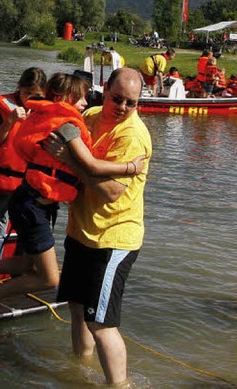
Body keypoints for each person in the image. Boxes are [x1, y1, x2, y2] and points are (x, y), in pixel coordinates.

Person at [0, 73, 145, 323]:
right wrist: (130, 167)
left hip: (31, 201)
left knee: (29, 263)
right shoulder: (67, 125)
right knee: (49, 278)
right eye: (81, 99)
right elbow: (92, 166)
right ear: (65, 99)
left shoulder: (52, 116)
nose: (86, 104)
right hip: (32, 206)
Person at [48, 68, 152, 385]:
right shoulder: (91, 116)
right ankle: (80, 372)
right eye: (117, 98)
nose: (121, 107)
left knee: (101, 322)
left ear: (138, 104)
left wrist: (68, 161)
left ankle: (119, 385)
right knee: (78, 309)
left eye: (130, 103)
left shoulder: (132, 136)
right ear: (105, 90)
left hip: (113, 238)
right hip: (81, 232)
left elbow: (111, 192)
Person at [0, 67, 47, 283]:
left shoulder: (43, 111)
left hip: (32, 182)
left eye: (37, 96)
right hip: (7, 181)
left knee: (27, 232)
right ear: (19, 88)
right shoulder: (2, 109)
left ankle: (19, 276)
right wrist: (10, 119)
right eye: (28, 94)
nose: (32, 100)